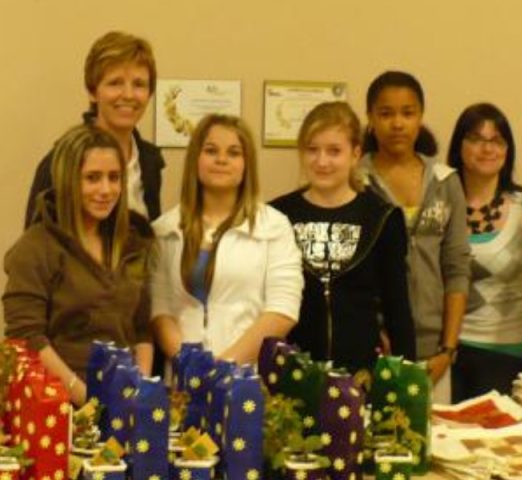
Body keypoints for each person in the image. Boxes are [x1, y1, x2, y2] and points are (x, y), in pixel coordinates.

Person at [4, 125, 155, 405]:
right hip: (57, 405)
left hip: (124, 402)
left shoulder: (133, 242)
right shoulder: (36, 247)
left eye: (114, 177)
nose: (106, 190)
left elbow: (142, 329)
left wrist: (141, 389)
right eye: (92, 178)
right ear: (67, 180)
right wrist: (85, 398)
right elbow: (27, 338)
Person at [271, 101, 416, 378]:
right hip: (291, 375)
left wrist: (406, 379)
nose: (322, 161)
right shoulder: (276, 216)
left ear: (355, 154)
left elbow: (397, 308)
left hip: (360, 376)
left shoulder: (381, 218)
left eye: (334, 151)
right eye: (312, 149)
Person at [150, 114, 303, 365]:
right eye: (211, 150)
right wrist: (189, 365)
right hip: (183, 377)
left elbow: (282, 311)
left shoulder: (274, 227)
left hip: (247, 378)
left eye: (233, 153)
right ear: (196, 158)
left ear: (246, 164)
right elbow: (160, 311)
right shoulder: (164, 230)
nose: (221, 160)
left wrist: (222, 368)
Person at [360, 71, 470, 403]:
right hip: (376, 348)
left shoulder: (445, 181)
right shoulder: (357, 181)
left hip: (435, 351)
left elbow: (457, 267)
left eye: (407, 113)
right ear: (370, 118)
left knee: (434, 434)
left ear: (420, 117)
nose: (397, 124)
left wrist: (448, 349)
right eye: (386, 113)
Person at [446, 103, 522, 402]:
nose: (487, 148)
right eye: (476, 139)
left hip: (503, 348)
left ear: (507, 149)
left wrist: (498, 313)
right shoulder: (441, 202)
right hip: (445, 348)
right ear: (459, 146)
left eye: (497, 140)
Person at [25, 30, 164, 227]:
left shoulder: (150, 162)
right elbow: (36, 241)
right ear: (92, 91)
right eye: (115, 83)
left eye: (139, 84)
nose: (128, 95)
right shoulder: (60, 162)